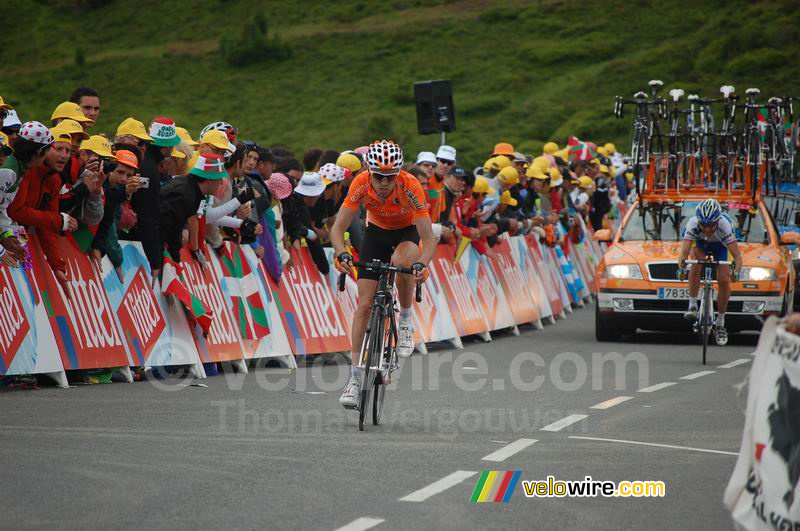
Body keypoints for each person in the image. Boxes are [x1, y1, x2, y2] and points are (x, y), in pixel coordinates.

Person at [331, 140, 436, 408]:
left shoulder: (411, 185)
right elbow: (337, 228)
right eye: (378, 176)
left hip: (406, 231)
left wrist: (422, 263)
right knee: (364, 305)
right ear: (369, 171)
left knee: (403, 261)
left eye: (390, 177)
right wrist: (341, 252)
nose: (383, 183)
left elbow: (428, 237)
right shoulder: (360, 183)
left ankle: (405, 320)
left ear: (398, 174)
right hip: (376, 232)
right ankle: (354, 379)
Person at [8, 123, 76, 289]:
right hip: (7, 234)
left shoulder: (54, 179)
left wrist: (58, 267)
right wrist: (57, 219)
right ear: (44, 149)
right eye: (58, 149)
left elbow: (46, 226)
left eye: (68, 151)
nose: (64, 156)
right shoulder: (27, 169)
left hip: (15, 237)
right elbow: (16, 211)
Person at [677, 198, 743, 341]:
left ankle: (720, 322)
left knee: (724, 280)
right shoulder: (692, 224)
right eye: (703, 225)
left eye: (711, 225)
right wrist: (681, 268)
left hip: (720, 246)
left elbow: (737, 256)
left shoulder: (725, 226)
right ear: (698, 221)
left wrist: (735, 272)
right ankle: (693, 305)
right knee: (695, 261)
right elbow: (683, 254)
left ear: (718, 221)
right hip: (700, 245)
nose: (707, 229)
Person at [159, 153, 226, 264]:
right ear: (209, 180)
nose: (222, 183)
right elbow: (161, 225)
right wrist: (159, 259)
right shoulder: (186, 195)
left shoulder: (190, 189)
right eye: (219, 179)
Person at [91, 149, 141, 279]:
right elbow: (109, 226)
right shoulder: (102, 187)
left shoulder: (119, 192)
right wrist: (117, 259)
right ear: (110, 170)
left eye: (129, 175)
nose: (124, 179)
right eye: (120, 172)